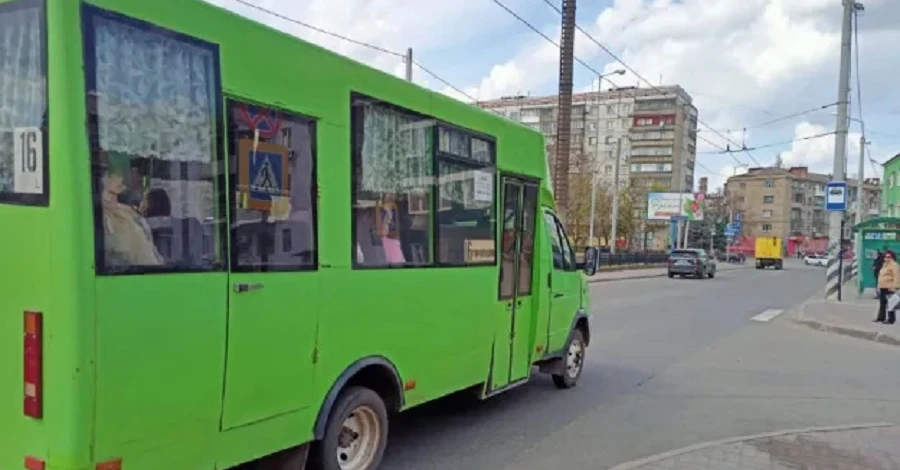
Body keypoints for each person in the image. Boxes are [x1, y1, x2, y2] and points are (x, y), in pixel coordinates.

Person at [875, 250, 900, 324]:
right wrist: (878, 286)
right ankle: (881, 317)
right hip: (883, 287)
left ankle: (891, 319)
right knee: (882, 303)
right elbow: (881, 276)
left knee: (891, 303)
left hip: (890, 287)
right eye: (885, 257)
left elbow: (897, 277)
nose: (886, 258)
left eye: (888, 257)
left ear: (892, 257)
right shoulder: (884, 265)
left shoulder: (895, 265)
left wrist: (895, 287)